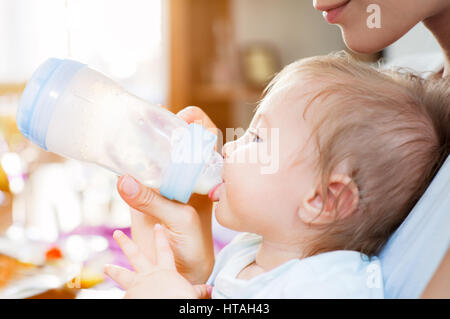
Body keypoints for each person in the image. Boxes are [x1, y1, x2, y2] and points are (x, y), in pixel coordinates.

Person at [109, 0, 450, 297]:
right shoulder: (247, 253)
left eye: (257, 138)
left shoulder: (327, 286)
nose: (227, 149)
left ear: (323, 200)